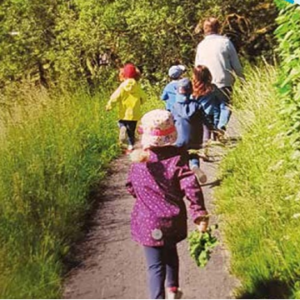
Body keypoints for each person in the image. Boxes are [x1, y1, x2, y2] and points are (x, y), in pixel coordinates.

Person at [126, 109, 209, 299]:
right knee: (171, 253)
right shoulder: (177, 161)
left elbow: (130, 186)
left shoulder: (139, 161)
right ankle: (173, 289)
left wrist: (144, 198)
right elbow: (191, 187)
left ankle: (158, 297)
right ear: (171, 134)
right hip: (172, 221)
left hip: (147, 222)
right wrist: (199, 213)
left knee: (154, 266)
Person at [195, 17, 244, 130]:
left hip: (206, 81)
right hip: (224, 80)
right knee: (225, 106)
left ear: (204, 29)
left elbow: (197, 66)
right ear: (219, 28)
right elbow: (235, 63)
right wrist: (241, 78)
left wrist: (197, 82)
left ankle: (213, 131)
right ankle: (221, 127)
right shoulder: (225, 42)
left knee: (211, 107)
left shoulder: (201, 45)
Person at [172, 78, 215, 184]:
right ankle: (195, 167)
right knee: (194, 155)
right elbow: (206, 120)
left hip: (180, 139)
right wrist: (214, 129)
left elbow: (170, 122)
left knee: (182, 158)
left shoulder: (174, 107)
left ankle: (185, 178)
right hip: (195, 137)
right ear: (191, 91)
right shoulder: (196, 105)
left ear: (177, 91)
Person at [106, 63, 146, 153]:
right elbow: (144, 97)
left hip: (124, 113)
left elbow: (114, 97)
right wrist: (141, 101)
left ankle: (122, 127)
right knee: (131, 131)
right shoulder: (137, 86)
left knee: (121, 122)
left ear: (124, 74)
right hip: (135, 113)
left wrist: (109, 106)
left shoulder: (122, 86)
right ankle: (131, 146)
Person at [192, 65, 225, 148]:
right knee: (208, 130)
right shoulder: (212, 88)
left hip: (197, 113)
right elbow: (221, 99)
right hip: (210, 113)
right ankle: (206, 147)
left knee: (201, 131)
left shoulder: (193, 88)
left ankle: (202, 147)